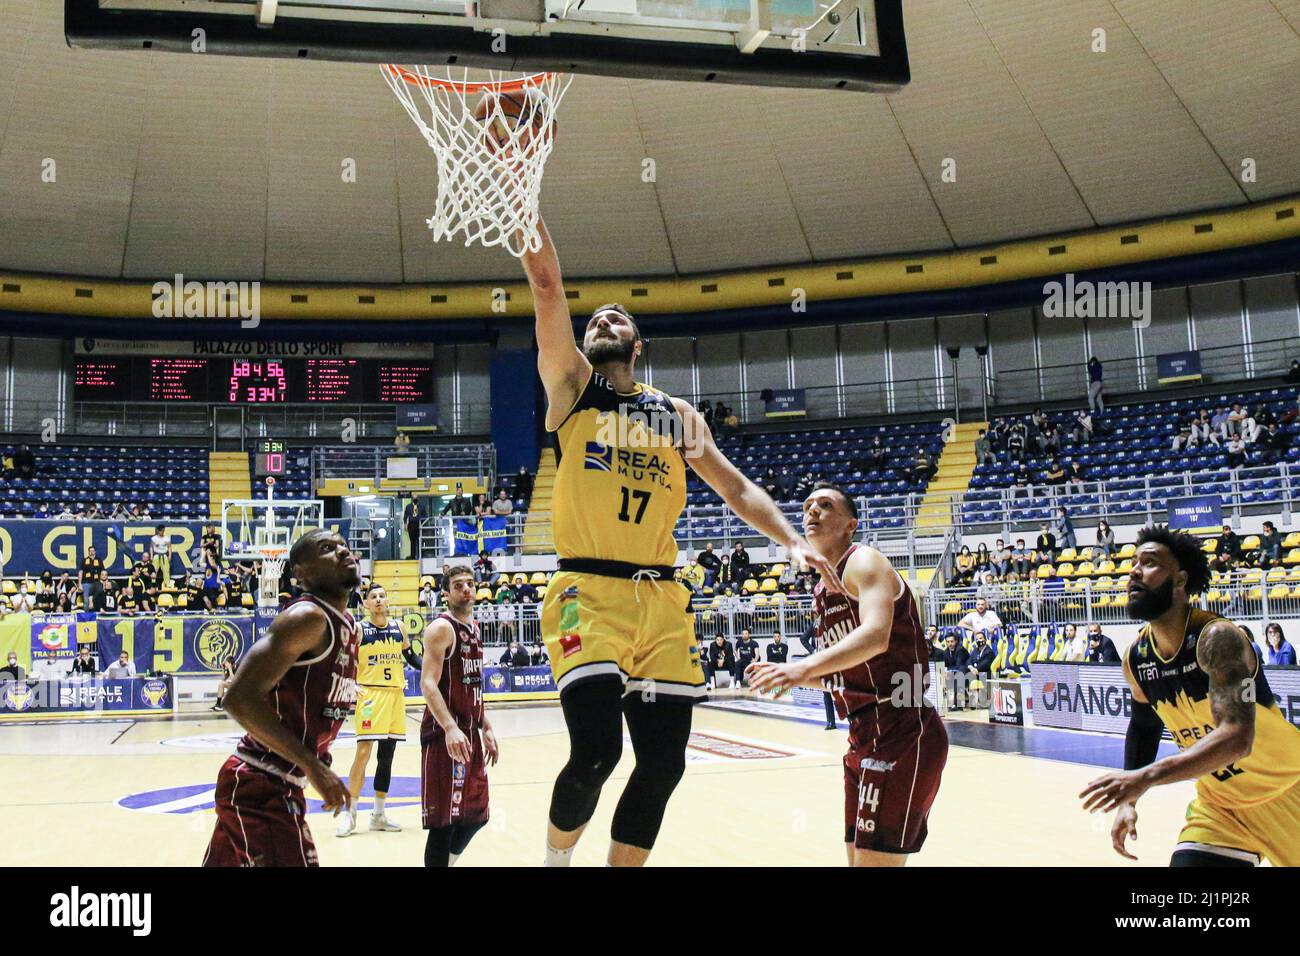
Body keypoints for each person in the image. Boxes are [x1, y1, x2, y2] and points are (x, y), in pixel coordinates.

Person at [520, 219, 839, 868]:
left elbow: (735, 487)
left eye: (618, 317)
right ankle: (555, 863)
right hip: (587, 591)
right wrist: (521, 196)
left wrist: (789, 542)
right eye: (596, 318)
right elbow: (549, 287)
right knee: (596, 753)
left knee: (664, 765)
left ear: (638, 344)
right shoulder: (573, 388)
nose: (604, 319)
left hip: (663, 603)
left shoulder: (675, 415)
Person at [747, 484, 948, 867]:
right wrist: (788, 677)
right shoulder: (822, 590)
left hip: (903, 729)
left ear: (850, 525)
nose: (813, 512)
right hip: (862, 738)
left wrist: (801, 665)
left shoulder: (864, 561)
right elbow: (847, 677)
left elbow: (875, 636)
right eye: (807, 506)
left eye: (826, 506)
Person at [1079, 525, 1300, 867]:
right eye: (1133, 562)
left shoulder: (1217, 638)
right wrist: (1129, 801)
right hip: (1220, 809)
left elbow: (1238, 738)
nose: (1134, 570)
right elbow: (1143, 727)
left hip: (1288, 792)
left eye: (1149, 563)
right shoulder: (1137, 658)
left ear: (1180, 580)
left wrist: (1145, 778)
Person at [203, 529, 361, 867]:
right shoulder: (307, 618)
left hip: (275, 783)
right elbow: (238, 698)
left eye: (343, 545)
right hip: (261, 785)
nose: (342, 551)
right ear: (300, 573)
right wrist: (313, 765)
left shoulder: (348, 625)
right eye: (327, 549)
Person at [419, 565, 498, 867]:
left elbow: (474, 685)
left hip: (470, 733)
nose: (466, 589)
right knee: (444, 822)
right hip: (444, 735)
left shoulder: (474, 630)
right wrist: (450, 727)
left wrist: (486, 726)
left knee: (477, 815)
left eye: (470, 583)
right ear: (446, 593)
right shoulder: (442, 629)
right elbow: (428, 683)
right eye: (457, 585)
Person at [337, 584, 411, 838]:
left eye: (382, 596)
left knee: (387, 756)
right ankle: (351, 813)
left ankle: (378, 814)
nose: (378, 600)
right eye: (373, 597)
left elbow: (410, 657)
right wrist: (350, 683)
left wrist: (437, 671)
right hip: (370, 695)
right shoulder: (359, 629)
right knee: (364, 752)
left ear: (387, 601)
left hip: (395, 695)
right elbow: (342, 657)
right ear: (366, 604)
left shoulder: (400, 628)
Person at [79, 545, 104, 610]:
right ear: (88, 552)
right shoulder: (84, 560)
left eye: (93, 551)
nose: (91, 552)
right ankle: (87, 616)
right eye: (90, 551)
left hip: (97, 583)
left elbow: (103, 571)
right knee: (86, 600)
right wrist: (79, 584)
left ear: (95, 552)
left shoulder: (99, 560)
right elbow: (80, 572)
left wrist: (104, 583)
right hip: (86, 582)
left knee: (98, 599)